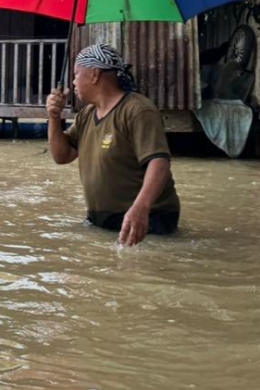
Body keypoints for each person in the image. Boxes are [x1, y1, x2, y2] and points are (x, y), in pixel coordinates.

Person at [46, 43, 181, 246]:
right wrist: (54, 117)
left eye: (76, 75)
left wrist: (141, 209)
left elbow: (159, 161)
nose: (73, 82)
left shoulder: (137, 110)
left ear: (94, 74)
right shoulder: (87, 114)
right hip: (105, 219)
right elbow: (62, 156)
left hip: (148, 217)